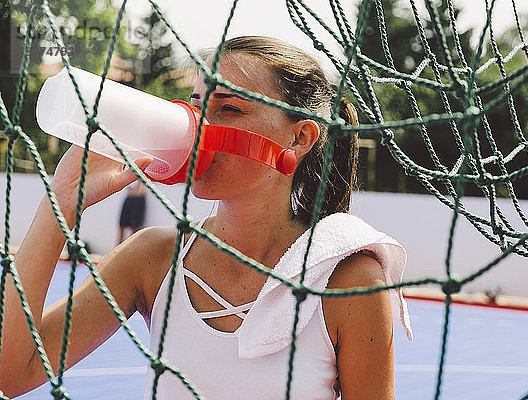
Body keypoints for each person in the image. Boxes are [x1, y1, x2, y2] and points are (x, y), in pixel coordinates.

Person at [0, 36, 411, 399]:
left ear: (300, 137)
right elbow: (13, 373)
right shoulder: (154, 258)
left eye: (228, 108)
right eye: (196, 104)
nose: (197, 125)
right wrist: (59, 205)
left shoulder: (348, 280)